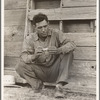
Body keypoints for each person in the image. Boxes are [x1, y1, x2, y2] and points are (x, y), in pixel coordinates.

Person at [16, 13, 76, 98]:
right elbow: (24, 56)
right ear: (34, 27)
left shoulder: (56, 33)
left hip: (55, 70)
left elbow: (72, 44)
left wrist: (58, 50)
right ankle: (38, 85)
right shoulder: (29, 38)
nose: (43, 30)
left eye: (45, 26)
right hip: (39, 71)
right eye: (40, 28)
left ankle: (59, 87)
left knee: (69, 52)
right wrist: (34, 56)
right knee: (19, 66)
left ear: (48, 24)